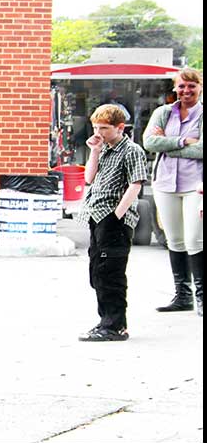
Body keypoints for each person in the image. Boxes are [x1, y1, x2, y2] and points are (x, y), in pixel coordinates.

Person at [76, 104, 148, 342]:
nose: (99, 132)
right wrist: (94, 151)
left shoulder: (131, 150)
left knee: (111, 273)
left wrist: (117, 215)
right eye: (96, 127)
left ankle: (115, 325)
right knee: (97, 272)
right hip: (96, 215)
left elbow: (136, 184)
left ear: (120, 127)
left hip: (114, 218)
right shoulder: (104, 148)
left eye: (104, 128)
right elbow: (89, 178)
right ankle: (105, 320)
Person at [142, 68, 203, 317]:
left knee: (194, 240)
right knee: (174, 240)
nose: (186, 91)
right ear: (174, 88)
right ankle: (183, 295)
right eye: (181, 86)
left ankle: (201, 296)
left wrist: (167, 143)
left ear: (200, 87)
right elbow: (149, 142)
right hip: (165, 183)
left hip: (195, 185)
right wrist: (183, 141)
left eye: (191, 86)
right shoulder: (163, 113)